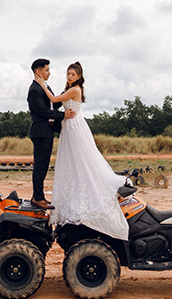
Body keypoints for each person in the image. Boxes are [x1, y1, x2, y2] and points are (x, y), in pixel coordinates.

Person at [36, 62, 130, 240]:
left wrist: (42, 86)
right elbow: (59, 102)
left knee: (82, 160)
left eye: (72, 74)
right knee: (72, 162)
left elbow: (55, 100)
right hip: (69, 126)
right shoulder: (70, 88)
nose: (69, 76)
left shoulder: (75, 89)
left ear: (78, 77)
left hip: (75, 126)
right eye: (68, 74)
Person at [27, 58, 70, 209]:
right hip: (40, 132)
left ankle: (39, 197)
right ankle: (37, 198)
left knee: (43, 165)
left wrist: (66, 92)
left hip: (47, 131)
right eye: (47, 70)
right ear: (38, 71)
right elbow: (42, 111)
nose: (49, 73)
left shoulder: (45, 87)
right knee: (40, 166)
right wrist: (63, 116)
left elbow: (54, 103)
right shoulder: (34, 90)